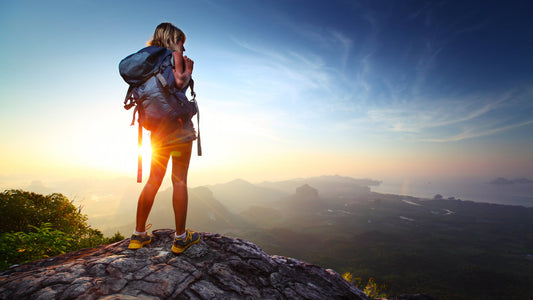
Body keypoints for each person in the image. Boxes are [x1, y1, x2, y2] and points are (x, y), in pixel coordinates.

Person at [128, 22, 200, 254]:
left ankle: (138, 235)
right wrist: (188, 71)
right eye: (182, 43)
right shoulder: (174, 55)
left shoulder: (146, 62)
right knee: (179, 180)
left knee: (154, 179)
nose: (184, 49)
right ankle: (180, 238)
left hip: (157, 130)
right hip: (179, 129)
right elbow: (179, 83)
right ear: (174, 39)